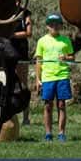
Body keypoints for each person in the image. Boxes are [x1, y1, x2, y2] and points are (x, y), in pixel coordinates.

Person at [34, 13, 74, 142]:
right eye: (51, 24)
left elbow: (72, 58)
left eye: (57, 24)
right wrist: (37, 79)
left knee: (61, 104)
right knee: (47, 105)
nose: (54, 26)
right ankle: (48, 133)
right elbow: (38, 61)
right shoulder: (41, 41)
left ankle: (61, 133)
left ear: (60, 26)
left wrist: (66, 58)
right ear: (47, 26)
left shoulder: (65, 40)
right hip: (48, 77)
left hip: (62, 75)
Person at [12, 2, 33, 125]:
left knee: (23, 85)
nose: (17, 1)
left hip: (21, 52)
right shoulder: (4, 12)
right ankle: (10, 116)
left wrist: (11, 35)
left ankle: (26, 118)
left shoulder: (25, 13)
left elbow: (29, 32)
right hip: (7, 52)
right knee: (8, 85)